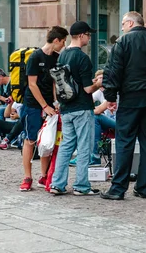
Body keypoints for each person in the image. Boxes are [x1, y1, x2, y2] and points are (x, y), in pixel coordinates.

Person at [100, 11, 146, 200]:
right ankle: (143, 187)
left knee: (125, 141)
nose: (122, 28)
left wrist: (110, 96)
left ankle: (118, 188)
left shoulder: (123, 42)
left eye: (124, 24)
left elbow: (113, 71)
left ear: (131, 23)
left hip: (131, 98)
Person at [50, 21, 103, 196]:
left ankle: (57, 184)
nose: (89, 38)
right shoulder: (82, 58)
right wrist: (99, 84)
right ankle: (81, 186)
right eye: (88, 35)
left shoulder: (62, 56)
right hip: (82, 107)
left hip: (66, 108)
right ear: (81, 35)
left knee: (66, 146)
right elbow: (88, 89)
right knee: (84, 147)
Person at [19, 26, 68, 191]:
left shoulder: (56, 58)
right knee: (30, 139)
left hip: (49, 105)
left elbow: (55, 82)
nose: (64, 45)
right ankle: (27, 177)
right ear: (56, 40)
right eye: (63, 41)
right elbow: (32, 84)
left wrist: (55, 102)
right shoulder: (35, 57)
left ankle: (44, 175)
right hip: (33, 105)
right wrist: (45, 106)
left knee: (48, 140)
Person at [70, 69, 116, 167]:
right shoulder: (99, 92)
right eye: (98, 79)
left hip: (119, 122)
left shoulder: (112, 91)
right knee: (85, 119)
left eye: (102, 79)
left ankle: (94, 156)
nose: (101, 81)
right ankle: (83, 155)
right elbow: (85, 102)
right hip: (108, 122)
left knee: (94, 117)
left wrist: (86, 110)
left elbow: (98, 110)